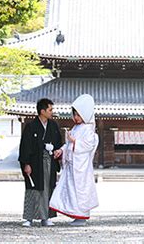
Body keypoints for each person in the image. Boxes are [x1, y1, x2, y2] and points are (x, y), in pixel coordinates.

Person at [50, 94, 99, 226]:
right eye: (74, 114)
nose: (75, 118)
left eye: (78, 115)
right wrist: (62, 150)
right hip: (73, 165)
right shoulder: (77, 128)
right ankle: (76, 214)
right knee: (71, 190)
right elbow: (69, 145)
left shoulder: (89, 129)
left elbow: (88, 145)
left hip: (81, 167)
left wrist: (74, 141)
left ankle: (81, 215)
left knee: (80, 190)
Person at [18, 98, 62, 227]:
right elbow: (25, 146)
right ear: (42, 111)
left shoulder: (53, 125)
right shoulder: (31, 126)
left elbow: (58, 143)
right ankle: (28, 217)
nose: (52, 112)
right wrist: (26, 163)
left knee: (48, 188)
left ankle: (46, 217)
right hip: (35, 162)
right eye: (50, 109)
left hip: (49, 161)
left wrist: (57, 150)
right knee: (33, 189)